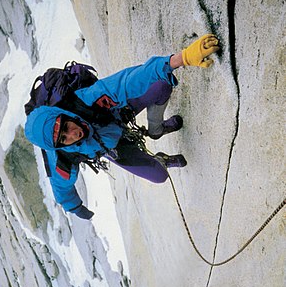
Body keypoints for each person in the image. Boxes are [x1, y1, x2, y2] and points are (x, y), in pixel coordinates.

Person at [25, 34, 219, 219]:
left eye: (66, 126)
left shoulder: (84, 102)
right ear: (58, 146)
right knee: (159, 175)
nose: (73, 134)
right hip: (111, 146)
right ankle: (161, 160)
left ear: (65, 115)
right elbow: (60, 188)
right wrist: (75, 207)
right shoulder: (62, 159)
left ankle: (156, 130)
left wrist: (181, 58)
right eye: (65, 139)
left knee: (161, 84)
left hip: (115, 115)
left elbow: (126, 82)